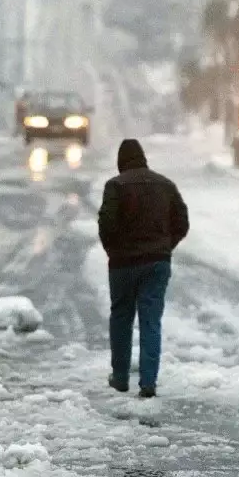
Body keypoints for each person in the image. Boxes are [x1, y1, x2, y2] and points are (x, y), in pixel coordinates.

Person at [98, 139, 190, 398]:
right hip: (157, 263)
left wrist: (113, 250)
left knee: (121, 318)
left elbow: (106, 223)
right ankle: (148, 382)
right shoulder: (165, 185)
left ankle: (120, 377)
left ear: (121, 161)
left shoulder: (115, 186)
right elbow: (182, 221)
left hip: (123, 265)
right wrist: (165, 247)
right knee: (151, 321)